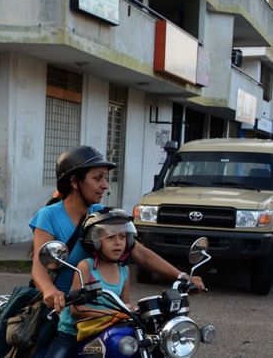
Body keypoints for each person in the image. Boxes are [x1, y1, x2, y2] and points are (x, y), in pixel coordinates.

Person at [29, 146, 204, 354]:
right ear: (75, 182)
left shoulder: (101, 216)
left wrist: (181, 275)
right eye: (98, 178)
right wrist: (51, 292)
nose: (105, 186)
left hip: (104, 316)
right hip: (61, 312)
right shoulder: (48, 216)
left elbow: (138, 252)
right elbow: (39, 268)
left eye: (106, 178)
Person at [41, 209, 136, 358]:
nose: (118, 242)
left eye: (123, 237)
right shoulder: (86, 267)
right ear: (95, 241)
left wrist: (131, 310)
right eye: (111, 237)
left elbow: (125, 305)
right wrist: (115, 314)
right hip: (74, 332)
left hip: (106, 330)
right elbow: (76, 309)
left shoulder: (124, 271)